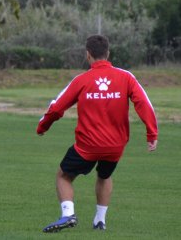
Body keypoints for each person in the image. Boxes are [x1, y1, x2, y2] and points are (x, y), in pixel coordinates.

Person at [36, 35, 158, 232]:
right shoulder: (126, 77)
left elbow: (57, 107)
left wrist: (43, 127)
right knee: (104, 175)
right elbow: (144, 103)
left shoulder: (82, 80)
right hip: (115, 146)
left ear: (87, 55)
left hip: (87, 146)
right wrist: (151, 134)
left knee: (63, 176)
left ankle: (68, 215)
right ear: (108, 53)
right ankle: (99, 221)